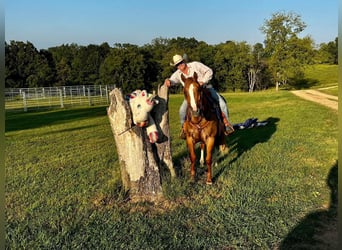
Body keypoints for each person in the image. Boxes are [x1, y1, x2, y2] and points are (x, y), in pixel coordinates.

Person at [164, 54, 234, 138]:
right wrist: (168, 81)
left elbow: (209, 71)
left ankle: (226, 125)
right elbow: (172, 80)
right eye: (177, 64)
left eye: (181, 62)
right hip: (191, 96)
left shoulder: (195, 65)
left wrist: (203, 81)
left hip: (206, 89)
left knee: (222, 104)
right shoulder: (178, 74)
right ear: (176, 66)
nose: (180, 65)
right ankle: (184, 129)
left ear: (184, 61)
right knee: (182, 110)